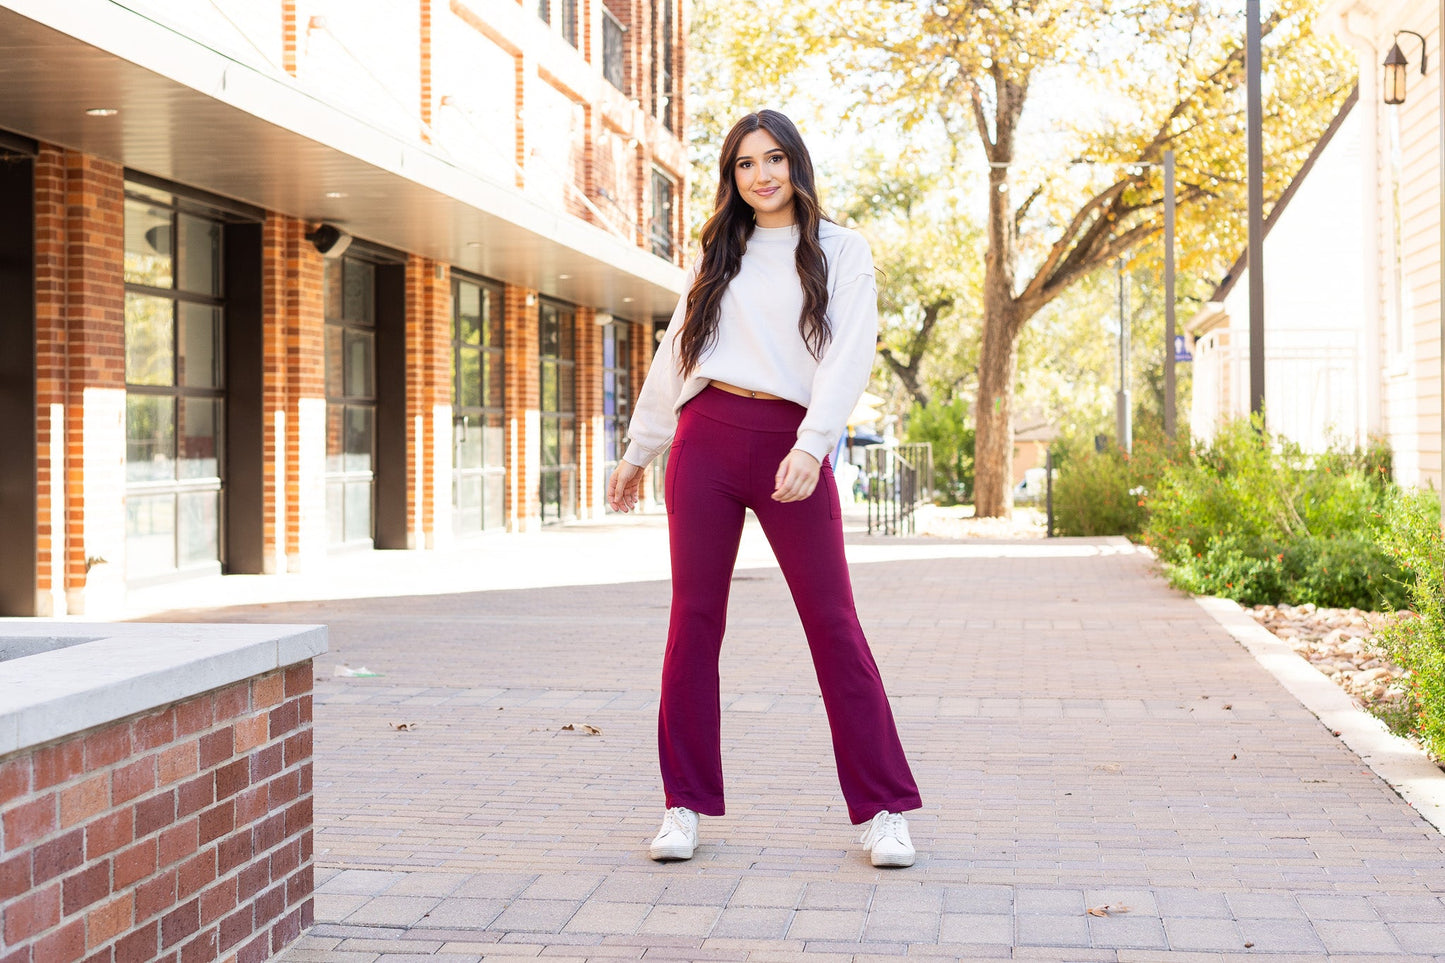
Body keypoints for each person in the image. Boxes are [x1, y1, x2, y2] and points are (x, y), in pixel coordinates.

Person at [605, 109, 922, 868]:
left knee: (833, 624)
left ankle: (882, 810)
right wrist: (638, 449)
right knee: (693, 623)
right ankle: (681, 804)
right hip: (706, 438)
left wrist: (813, 443)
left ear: (797, 164)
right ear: (732, 177)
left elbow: (850, 352)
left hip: (790, 442)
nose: (762, 175)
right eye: (745, 164)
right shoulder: (720, 250)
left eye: (774, 159)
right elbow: (677, 351)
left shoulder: (841, 249)